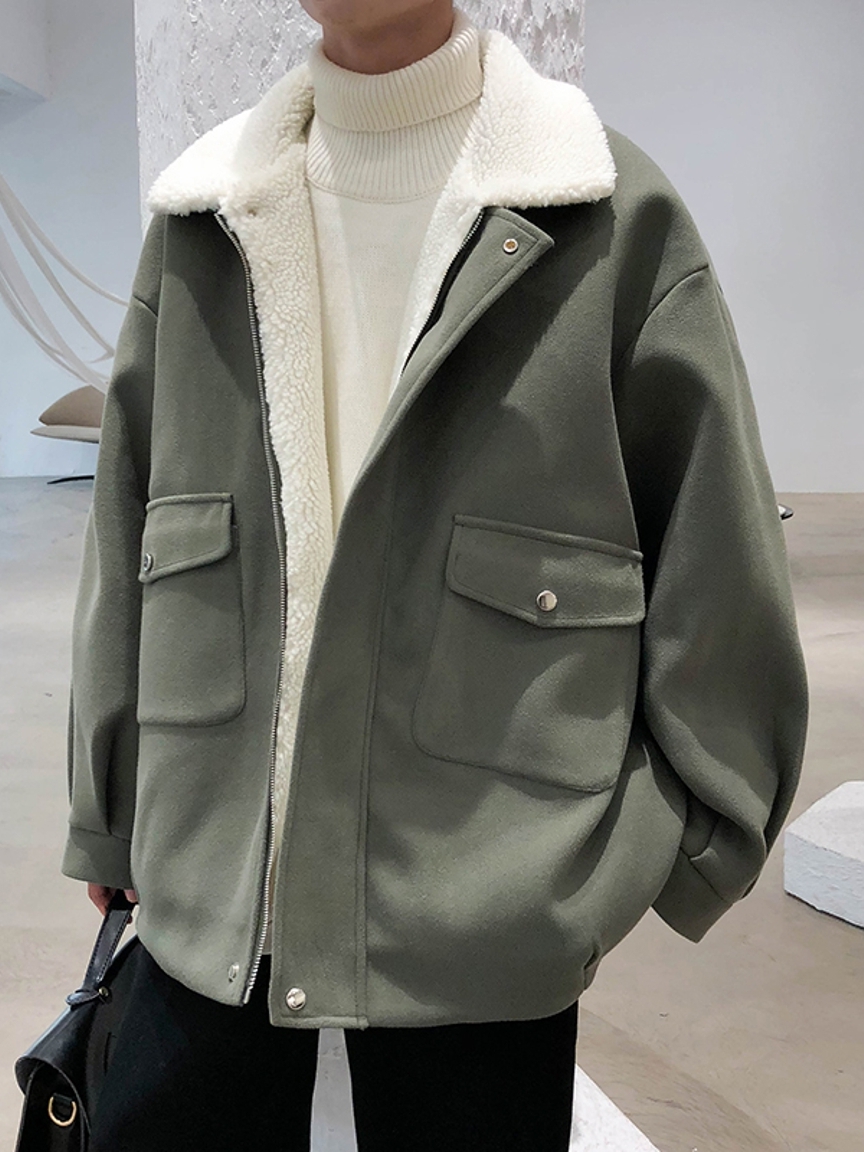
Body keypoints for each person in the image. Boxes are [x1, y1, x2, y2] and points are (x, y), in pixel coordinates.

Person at [62, 1, 809, 1148]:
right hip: (212, 873)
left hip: (485, 902)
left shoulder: (609, 216)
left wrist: (678, 839)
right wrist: (111, 809)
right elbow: (133, 526)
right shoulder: (205, 216)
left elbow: (717, 559)